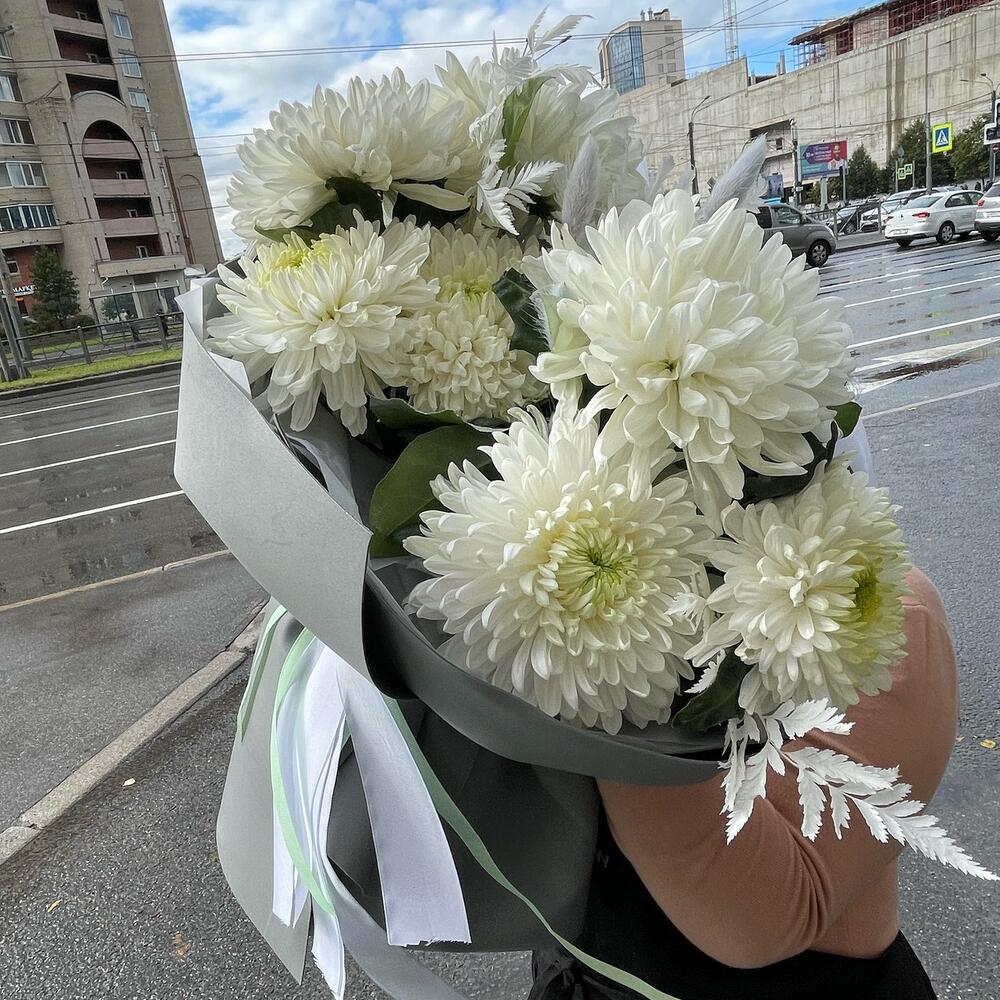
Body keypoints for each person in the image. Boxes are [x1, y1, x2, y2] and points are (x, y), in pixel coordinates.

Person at [530, 567, 956, 999]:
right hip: (580, 966)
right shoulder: (543, 579)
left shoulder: (879, 602)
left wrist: (607, 667)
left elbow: (764, 918)